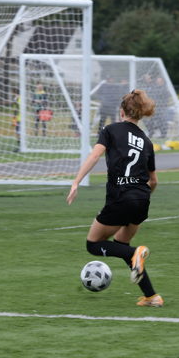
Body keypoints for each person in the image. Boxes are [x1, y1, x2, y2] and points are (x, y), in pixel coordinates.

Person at [66, 89, 163, 307]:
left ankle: (137, 253)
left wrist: (76, 182)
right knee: (121, 245)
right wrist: (141, 198)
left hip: (121, 197)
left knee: (93, 245)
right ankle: (152, 297)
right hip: (142, 199)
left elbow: (95, 155)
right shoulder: (146, 141)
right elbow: (154, 181)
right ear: (140, 113)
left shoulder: (110, 130)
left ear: (121, 112)